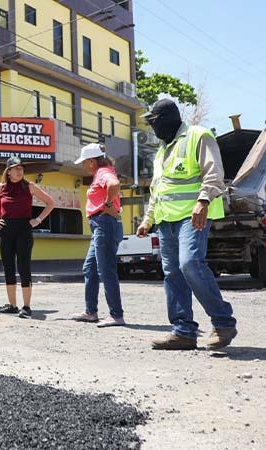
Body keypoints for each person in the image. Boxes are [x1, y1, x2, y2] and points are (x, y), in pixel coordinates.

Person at [137, 99, 237, 351]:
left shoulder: (198, 136)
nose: (152, 127)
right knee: (172, 274)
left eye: (154, 122)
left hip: (193, 216)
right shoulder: (161, 150)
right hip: (165, 220)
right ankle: (183, 332)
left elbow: (213, 173)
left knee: (190, 263)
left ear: (167, 118)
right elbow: (157, 190)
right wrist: (147, 220)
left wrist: (202, 201)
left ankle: (223, 322)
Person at [0, 156, 54, 319]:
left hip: (24, 230)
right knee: (8, 268)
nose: (19, 170)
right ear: (8, 172)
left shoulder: (30, 186)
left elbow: (50, 203)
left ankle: (27, 307)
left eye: (21, 168)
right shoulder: (1, 188)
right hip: (6, 230)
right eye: (16, 168)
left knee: (24, 267)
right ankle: (12, 305)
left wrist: (37, 220)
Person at [71, 144, 126, 327]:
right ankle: (91, 312)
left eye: (85, 162)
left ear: (92, 161)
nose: (84, 166)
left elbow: (114, 185)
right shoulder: (101, 172)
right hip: (100, 226)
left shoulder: (103, 172)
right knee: (90, 268)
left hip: (105, 224)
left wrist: (108, 204)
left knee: (106, 270)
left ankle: (117, 316)